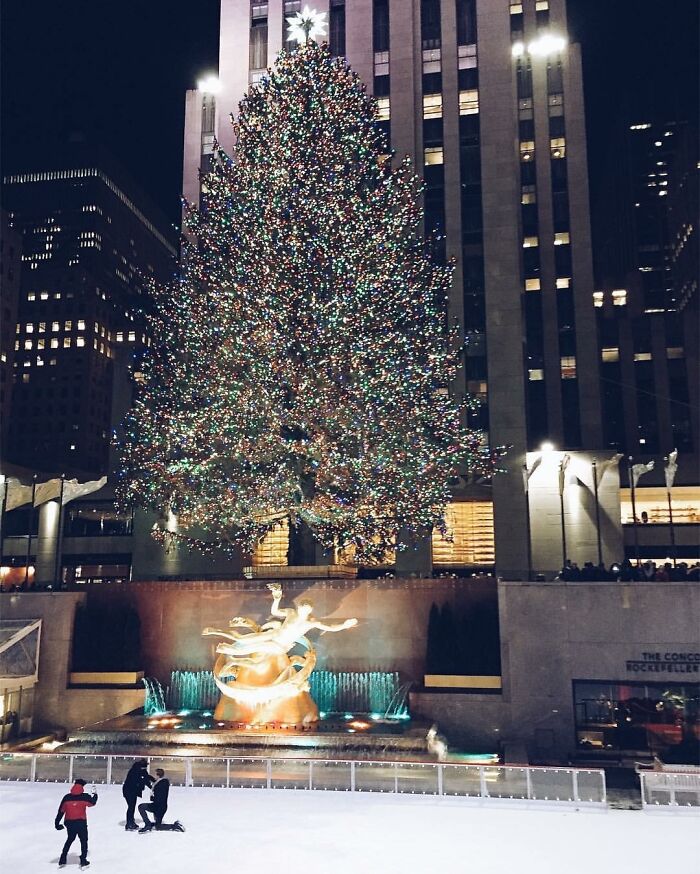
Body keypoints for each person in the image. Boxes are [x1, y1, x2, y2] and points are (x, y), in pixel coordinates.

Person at [55, 778, 98, 869]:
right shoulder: (85, 797)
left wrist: (57, 823)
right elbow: (92, 803)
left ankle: (63, 858)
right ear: (82, 787)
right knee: (83, 840)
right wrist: (95, 795)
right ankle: (83, 859)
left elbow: (61, 811)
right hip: (81, 822)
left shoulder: (67, 797)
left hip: (69, 822)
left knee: (70, 839)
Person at [138, 768, 185, 833]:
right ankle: (149, 824)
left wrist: (149, 786)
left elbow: (156, 790)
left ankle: (175, 826)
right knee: (157, 825)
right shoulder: (160, 782)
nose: (154, 776)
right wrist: (146, 776)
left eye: (155, 774)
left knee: (141, 807)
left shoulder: (162, 783)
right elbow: (154, 784)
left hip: (159, 807)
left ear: (157, 775)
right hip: (158, 806)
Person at [122, 758, 153, 831]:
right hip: (129, 791)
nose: (145, 768)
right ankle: (129, 823)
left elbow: (146, 777)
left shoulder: (141, 770)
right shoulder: (134, 771)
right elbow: (142, 780)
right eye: (144, 767)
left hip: (133, 791)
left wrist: (154, 784)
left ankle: (131, 822)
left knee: (132, 807)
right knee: (131, 807)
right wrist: (148, 785)